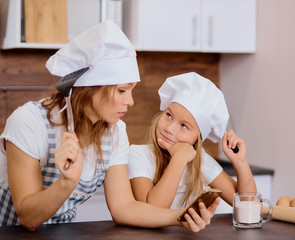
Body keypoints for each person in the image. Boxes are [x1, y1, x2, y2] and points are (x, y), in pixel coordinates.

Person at [0, 20, 219, 232]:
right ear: (91, 87)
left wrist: (182, 217)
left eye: (131, 90)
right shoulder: (29, 122)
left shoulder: (113, 132)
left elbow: (124, 208)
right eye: (122, 91)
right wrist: (67, 182)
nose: (131, 101)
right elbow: (27, 218)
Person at [128, 72, 257, 211]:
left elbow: (247, 205)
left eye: (184, 126)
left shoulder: (200, 160)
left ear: (197, 139)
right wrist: (179, 159)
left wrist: (240, 162)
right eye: (169, 115)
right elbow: (152, 211)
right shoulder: (137, 154)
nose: (170, 129)